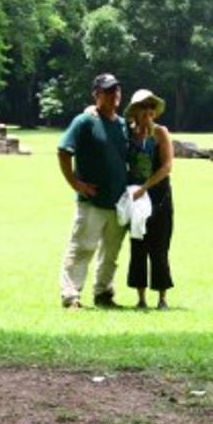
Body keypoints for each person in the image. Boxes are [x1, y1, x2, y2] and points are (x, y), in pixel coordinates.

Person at [57, 73, 129, 309]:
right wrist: (75, 183)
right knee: (82, 249)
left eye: (116, 91)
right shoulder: (85, 121)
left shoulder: (122, 124)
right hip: (92, 201)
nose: (114, 96)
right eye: (108, 91)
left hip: (118, 202)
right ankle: (71, 296)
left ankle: (104, 294)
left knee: (110, 254)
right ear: (96, 95)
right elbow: (64, 151)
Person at [124, 89, 175, 310]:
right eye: (143, 107)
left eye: (151, 107)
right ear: (134, 111)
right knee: (138, 247)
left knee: (160, 248)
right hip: (135, 200)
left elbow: (167, 166)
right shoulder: (128, 134)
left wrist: (145, 187)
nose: (148, 111)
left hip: (159, 197)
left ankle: (162, 298)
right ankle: (141, 298)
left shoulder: (160, 133)